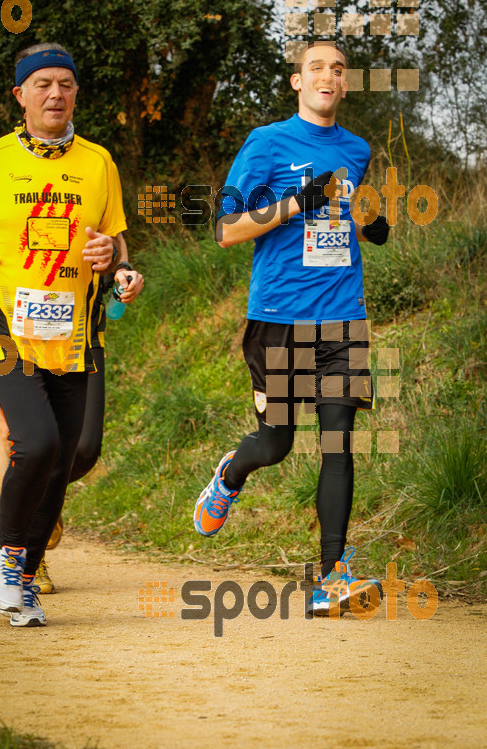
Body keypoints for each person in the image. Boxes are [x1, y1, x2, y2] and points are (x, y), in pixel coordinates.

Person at [194, 41, 388, 616]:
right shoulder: (267, 142)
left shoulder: (357, 150)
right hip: (277, 318)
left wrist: (373, 223)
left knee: (338, 442)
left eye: (338, 69)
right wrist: (291, 205)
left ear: (345, 85)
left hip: (342, 316)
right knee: (276, 444)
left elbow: (352, 217)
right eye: (316, 68)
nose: (328, 76)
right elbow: (226, 229)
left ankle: (331, 575)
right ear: (297, 81)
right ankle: (230, 473)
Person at [0, 42, 143, 627]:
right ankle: (9, 565)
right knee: (34, 443)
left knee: (69, 455)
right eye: (42, 84)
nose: (55, 93)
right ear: (20, 95)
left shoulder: (99, 162)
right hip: (4, 330)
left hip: (77, 333)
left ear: (77, 93)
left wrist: (117, 263)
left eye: (66, 84)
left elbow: (117, 249)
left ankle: (25, 577)